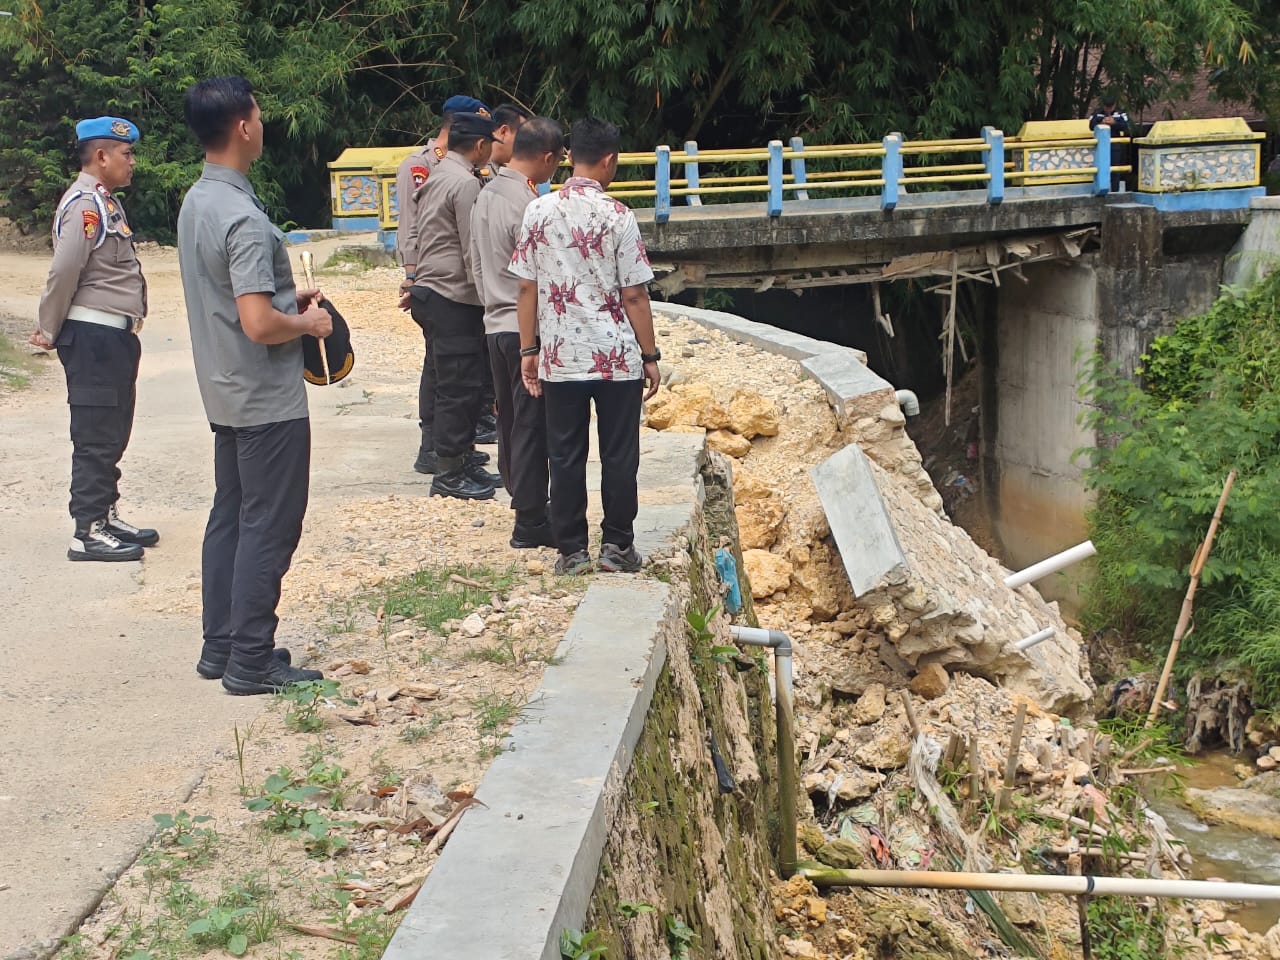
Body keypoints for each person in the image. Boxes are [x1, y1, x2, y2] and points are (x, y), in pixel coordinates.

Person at [176, 76, 329, 694]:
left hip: (223, 387)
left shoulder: (198, 200)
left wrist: (287, 297)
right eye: (259, 117)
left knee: (233, 516)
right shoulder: (242, 216)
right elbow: (259, 323)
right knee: (270, 523)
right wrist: (307, 322)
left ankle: (221, 645)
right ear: (243, 127)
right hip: (265, 397)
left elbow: (232, 295)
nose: (263, 126)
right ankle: (252, 659)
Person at [510, 117, 662, 575]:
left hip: (561, 357)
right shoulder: (619, 216)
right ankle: (617, 546)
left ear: (570, 156)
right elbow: (634, 295)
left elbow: (527, 289)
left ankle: (572, 551)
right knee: (619, 455)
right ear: (609, 160)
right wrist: (650, 355)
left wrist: (528, 350)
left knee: (564, 455)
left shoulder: (538, 211)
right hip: (616, 359)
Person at [31, 116, 157, 562]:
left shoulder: (104, 203)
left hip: (112, 336)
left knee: (113, 430)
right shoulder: (85, 205)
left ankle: (104, 514)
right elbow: (64, 270)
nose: (132, 161)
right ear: (101, 156)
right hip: (93, 336)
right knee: (96, 435)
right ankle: (87, 531)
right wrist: (49, 327)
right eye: (126, 153)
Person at [470, 117, 565, 549]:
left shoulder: (486, 193)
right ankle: (530, 519)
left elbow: (474, 262)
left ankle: (523, 500)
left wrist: (491, 304)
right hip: (524, 327)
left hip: (494, 322)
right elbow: (538, 276)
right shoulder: (529, 204)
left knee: (509, 418)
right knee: (530, 422)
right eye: (557, 162)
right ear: (547, 157)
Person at [396, 95, 500, 464]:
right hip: (451, 292)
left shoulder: (441, 173)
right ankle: (448, 465)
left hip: (434, 288)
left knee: (448, 378)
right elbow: (470, 249)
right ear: (480, 144)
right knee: (457, 383)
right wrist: (491, 298)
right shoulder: (458, 180)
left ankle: (453, 454)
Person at [1089, 97, 1131, 191]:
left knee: (1115, 169)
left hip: (1115, 145)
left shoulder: (1120, 113)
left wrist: (1114, 123)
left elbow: (1125, 126)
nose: (1108, 109)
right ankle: (1100, 189)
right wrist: (1101, 122)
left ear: (1114, 105)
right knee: (1100, 168)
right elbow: (1091, 126)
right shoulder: (1097, 113)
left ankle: (1115, 190)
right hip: (1100, 146)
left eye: (1110, 107)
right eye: (1106, 107)